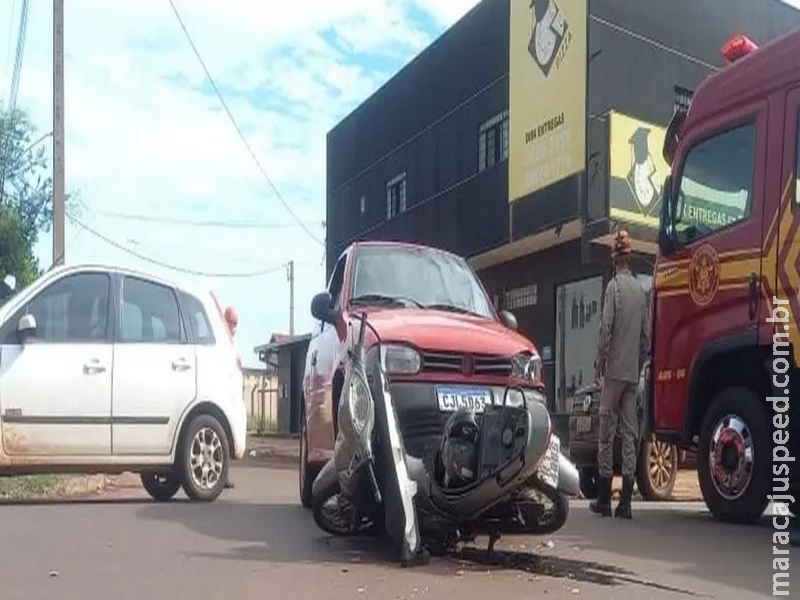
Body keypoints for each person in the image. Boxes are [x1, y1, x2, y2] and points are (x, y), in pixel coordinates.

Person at [590, 229, 649, 519]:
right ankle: (626, 501)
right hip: (631, 374)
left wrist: (599, 361)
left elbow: (605, 329)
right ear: (631, 260)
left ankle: (604, 498)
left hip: (613, 371)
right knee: (630, 434)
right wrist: (637, 364)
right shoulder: (640, 292)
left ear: (615, 261)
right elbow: (645, 338)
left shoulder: (613, 288)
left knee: (605, 431)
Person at [223, 305, 238, 490]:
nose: (234, 327)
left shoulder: (232, 342)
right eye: (232, 322)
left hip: (231, 393)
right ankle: (222, 475)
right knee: (223, 434)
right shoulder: (221, 340)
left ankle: (223, 473)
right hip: (222, 393)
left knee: (227, 435)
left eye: (235, 324)